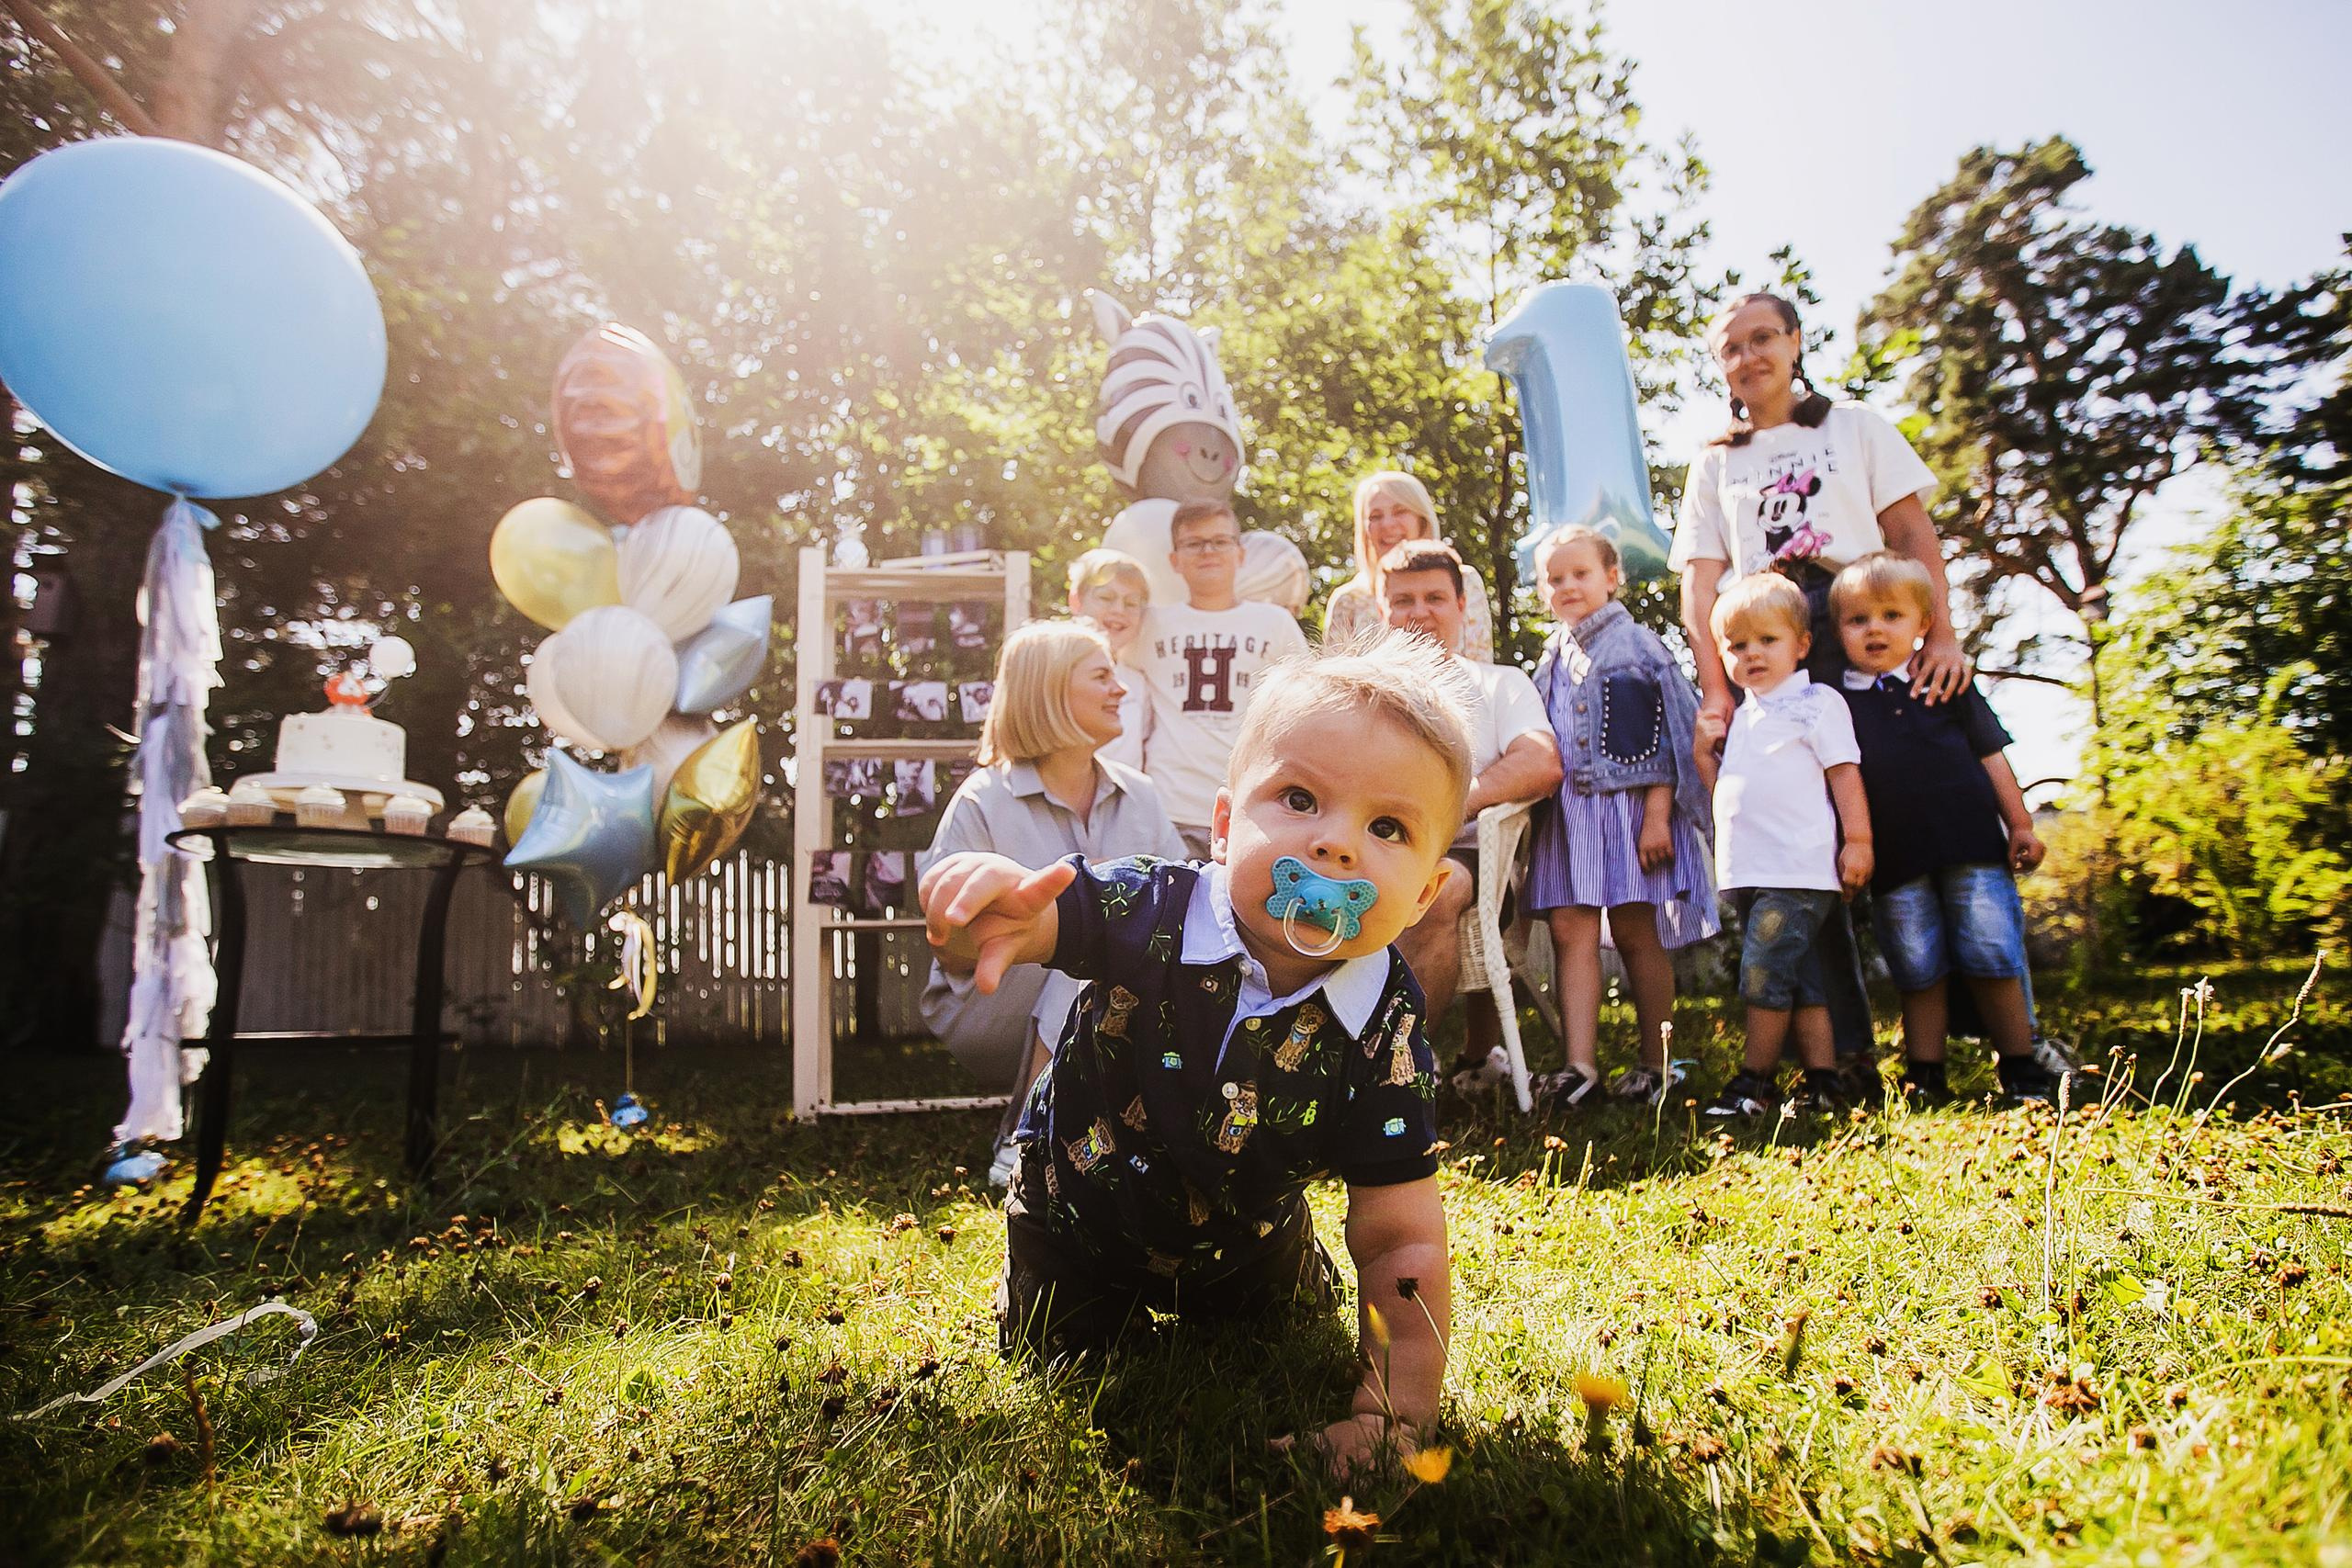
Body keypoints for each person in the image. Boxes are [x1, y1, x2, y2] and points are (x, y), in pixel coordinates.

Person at [922, 632, 1473, 1475]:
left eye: (1388, 825)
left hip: (1249, 1238)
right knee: (1054, 1355)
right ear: (1223, 825)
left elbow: (1403, 1240)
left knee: (1280, 1316)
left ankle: (1277, 1282)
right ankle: (1061, 1298)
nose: (1335, 845)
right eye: (1299, 798)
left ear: (1426, 893)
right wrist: (992, 915)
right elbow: (1048, 917)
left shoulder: (1382, 1023)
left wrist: (1396, 1417)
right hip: (1076, 1214)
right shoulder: (1148, 903)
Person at [1671, 290, 1963, 1080]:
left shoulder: (1854, 426)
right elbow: (1701, 587)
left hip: (1857, 622)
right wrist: (1716, 689)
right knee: (1802, 846)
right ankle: (1843, 1055)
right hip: (1768, 637)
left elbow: (1908, 534)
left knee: (1892, 820)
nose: (1749, 357)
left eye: (1763, 338)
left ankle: (1956, 1035)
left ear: (1796, 341)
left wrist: (1940, 632)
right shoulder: (1714, 460)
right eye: (1730, 347)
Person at [918, 621, 1185, 1183]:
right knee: (1087, 940)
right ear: (1050, 692)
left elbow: (1184, 910)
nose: (1122, 689)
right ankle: (1024, 1141)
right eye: (1101, 675)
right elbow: (951, 949)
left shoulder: (1140, 793)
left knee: (1110, 940)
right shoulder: (983, 800)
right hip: (990, 1009)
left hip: (1118, 1012)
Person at [1830, 553, 2071, 1108]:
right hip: (1896, 857)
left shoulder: (1947, 682)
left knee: (1992, 951)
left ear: (1923, 624)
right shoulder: (1835, 703)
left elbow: (1991, 756)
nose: (1875, 629)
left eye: (1892, 615)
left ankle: (2020, 1067)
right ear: (1838, 629)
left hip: (1972, 845)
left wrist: (2020, 823)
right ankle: (1926, 1077)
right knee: (1918, 966)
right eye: (1858, 619)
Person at [1520, 526, 1718, 1108]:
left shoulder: (1634, 646)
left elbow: (1664, 740)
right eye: (1554, 578)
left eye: (1579, 574)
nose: (1566, 586)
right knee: (1569, 931)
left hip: (1628, 815)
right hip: (1570, 818)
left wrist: (1659, 815)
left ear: (1611, 577)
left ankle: (1657, 1063)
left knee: (1635, 929)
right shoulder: (1555, 654)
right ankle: (1580, 1066)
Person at [1373, 540, 1559, 1085]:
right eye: (1404, 600)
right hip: (1367, 847)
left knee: (1440, 888)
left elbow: (1542, 763)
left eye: (1434, 597)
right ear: (1384, 611)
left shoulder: (1499, 684)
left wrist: (1458, 803)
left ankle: (1398, 1072)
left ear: (1461, 606)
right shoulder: (1359, 693)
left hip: (1467, 853)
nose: (1420, 611)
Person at [1693, 574, 1873, 1118]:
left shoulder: (1816, 703)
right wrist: (1705, 755)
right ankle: (1824, 1079)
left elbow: (1845, 774)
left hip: (1798, 870)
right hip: (1753, 869)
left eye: (1767, 640)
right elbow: (1726, 790)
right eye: (1737, 645)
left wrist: (1859, 841)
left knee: (1763, 973)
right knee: (1799, 978)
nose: (1751, 654)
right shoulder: (1744, 715)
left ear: (1801, 644)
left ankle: (1754, 1083)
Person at [1125, 500, 1309, 859]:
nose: (1208, 551)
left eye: (1220, 541)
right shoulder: (1150, 624)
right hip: (1168, 806)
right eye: (1194, 543)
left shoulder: (1274, 623)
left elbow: (1306, 705)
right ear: (1174, 560)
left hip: (1248, 805)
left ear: (1240, 554)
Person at [1322, 472, 1497, 662]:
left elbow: (1481, 665)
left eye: (1400, 511)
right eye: (1375, 516)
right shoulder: (1348, 601)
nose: (1387, 524)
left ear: (1421, 519)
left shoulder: (1465, 581)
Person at [1067, 547, 1152, 772]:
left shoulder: (1138, 685)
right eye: (1105, 597)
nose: (1119, 610)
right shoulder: (1051, 672)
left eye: (1131, 603)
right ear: (1076, 601)